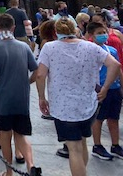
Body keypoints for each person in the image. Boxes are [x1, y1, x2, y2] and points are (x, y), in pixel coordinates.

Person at [36, 17, 121, 176]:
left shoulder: (50, 48)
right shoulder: (91, 47)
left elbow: (40, 75)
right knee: (82, 143)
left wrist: (41, 97)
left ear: (57, 32)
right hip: (87, 104)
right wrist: (105, 87)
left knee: (73, 148)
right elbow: (115, 65)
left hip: (63, 106)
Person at [0, 14, 41, 176]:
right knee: (21, 134)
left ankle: (9, 171)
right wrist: (28, 82)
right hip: (21, 97)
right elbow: (36, 70)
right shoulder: (24, 47)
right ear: (13, 27)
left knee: (5, 136)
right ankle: (31, 165)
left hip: (3, 98)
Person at [86, 21, 123, 160]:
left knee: (114, 117)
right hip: (99, 89)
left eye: (104, 32)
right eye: (99, 33)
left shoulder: (111, 50)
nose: (103, 35)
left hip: (114, 88)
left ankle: (115, 145)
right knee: (99, 118)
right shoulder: (88, 51)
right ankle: (97, 145)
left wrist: (121, 86)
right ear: (91, 35)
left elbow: (118, 69)